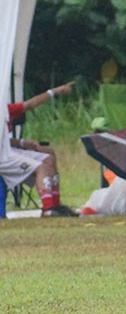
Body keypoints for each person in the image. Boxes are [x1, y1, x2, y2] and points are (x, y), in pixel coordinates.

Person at [3, 82, 79, 217]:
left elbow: (29, 105)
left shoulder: (4, 108)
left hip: (7, 150)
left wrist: (55, 91)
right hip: (3, 156)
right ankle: (48, 209)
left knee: (49, 155)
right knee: (41, 168)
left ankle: (56, 205)